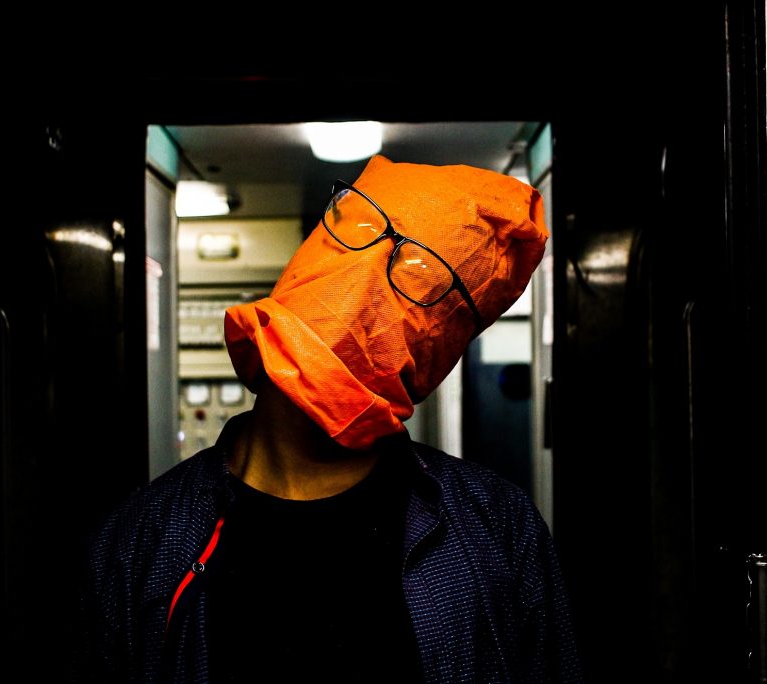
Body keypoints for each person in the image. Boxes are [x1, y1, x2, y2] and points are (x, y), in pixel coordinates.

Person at [80, 155, 584, 683]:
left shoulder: (495, 528)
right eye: (360, 227)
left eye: (421, 276)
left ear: (443, 345)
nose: (364, 282)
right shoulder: (140, 543)